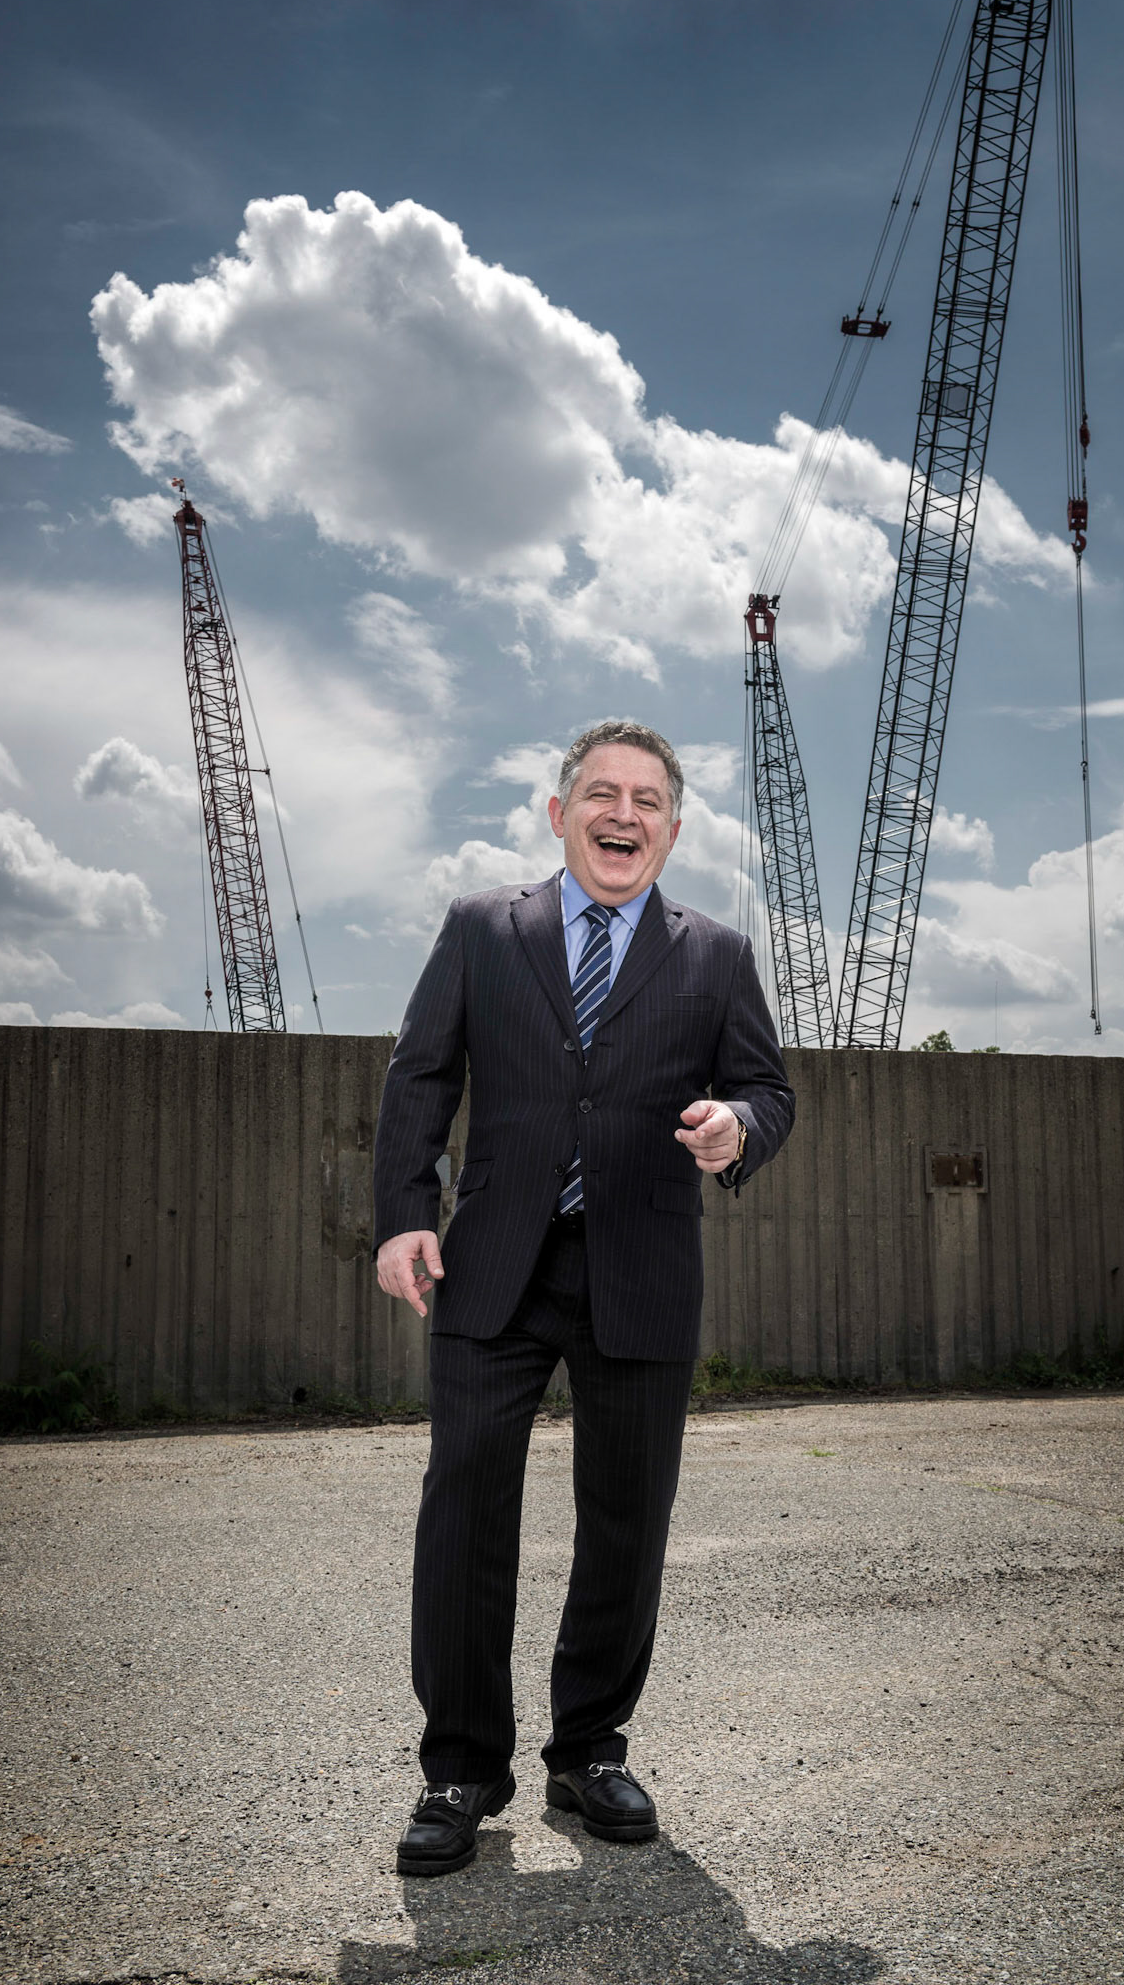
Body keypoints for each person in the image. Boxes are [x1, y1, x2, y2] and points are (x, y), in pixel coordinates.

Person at [373, 719, 794, 1877]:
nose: (624, 813)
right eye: (601, 793)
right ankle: (458, 1767)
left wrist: (736, 1124)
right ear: (558, 812)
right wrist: (406, 1210)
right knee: (463, 1510)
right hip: (495, 1260)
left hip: (642, 1264)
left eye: (648, 798)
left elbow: (766, 1086)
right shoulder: (479, 929)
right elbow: (420, 1072)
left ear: (671, 825)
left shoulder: (712, 953)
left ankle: (587, 1748)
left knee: (626, 1518)